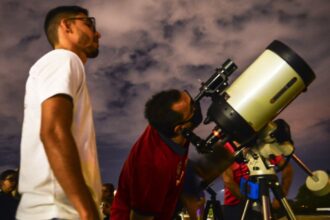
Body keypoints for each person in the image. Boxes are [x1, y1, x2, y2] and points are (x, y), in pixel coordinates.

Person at [17, 5, 102, 220]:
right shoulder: (63, 59)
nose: (97, 33)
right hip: (58, 211)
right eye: (89, 23)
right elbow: (53, 131)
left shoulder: (61, 63)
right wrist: (87, 211)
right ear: (67, 25)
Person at [110, 89, 203, 220]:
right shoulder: (153, 168)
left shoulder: (165, 126)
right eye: (192, 109)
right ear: (180, 129)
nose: (197, 106)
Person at [222, 119, 294, 220]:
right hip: (235, 206)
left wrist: (281, 194)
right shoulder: (228, 147)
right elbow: (228, 180)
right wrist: (249, 201)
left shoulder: (262, 144)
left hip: (263, 201)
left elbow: (287, 168)